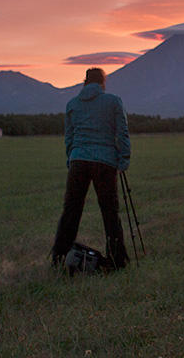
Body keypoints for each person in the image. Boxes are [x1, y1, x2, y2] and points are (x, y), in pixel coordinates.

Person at [51, 67, 131, 270]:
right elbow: (122, 133)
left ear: (85, 82)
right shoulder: (113, 101)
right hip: (105, 162)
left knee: (71, 211)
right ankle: (117, 260)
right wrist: (123, 160)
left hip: (78, 160)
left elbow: (69, 137)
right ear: (102, 82)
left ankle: (59, 257)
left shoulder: (72, 104)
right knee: (110, 212)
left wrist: (72, 158)